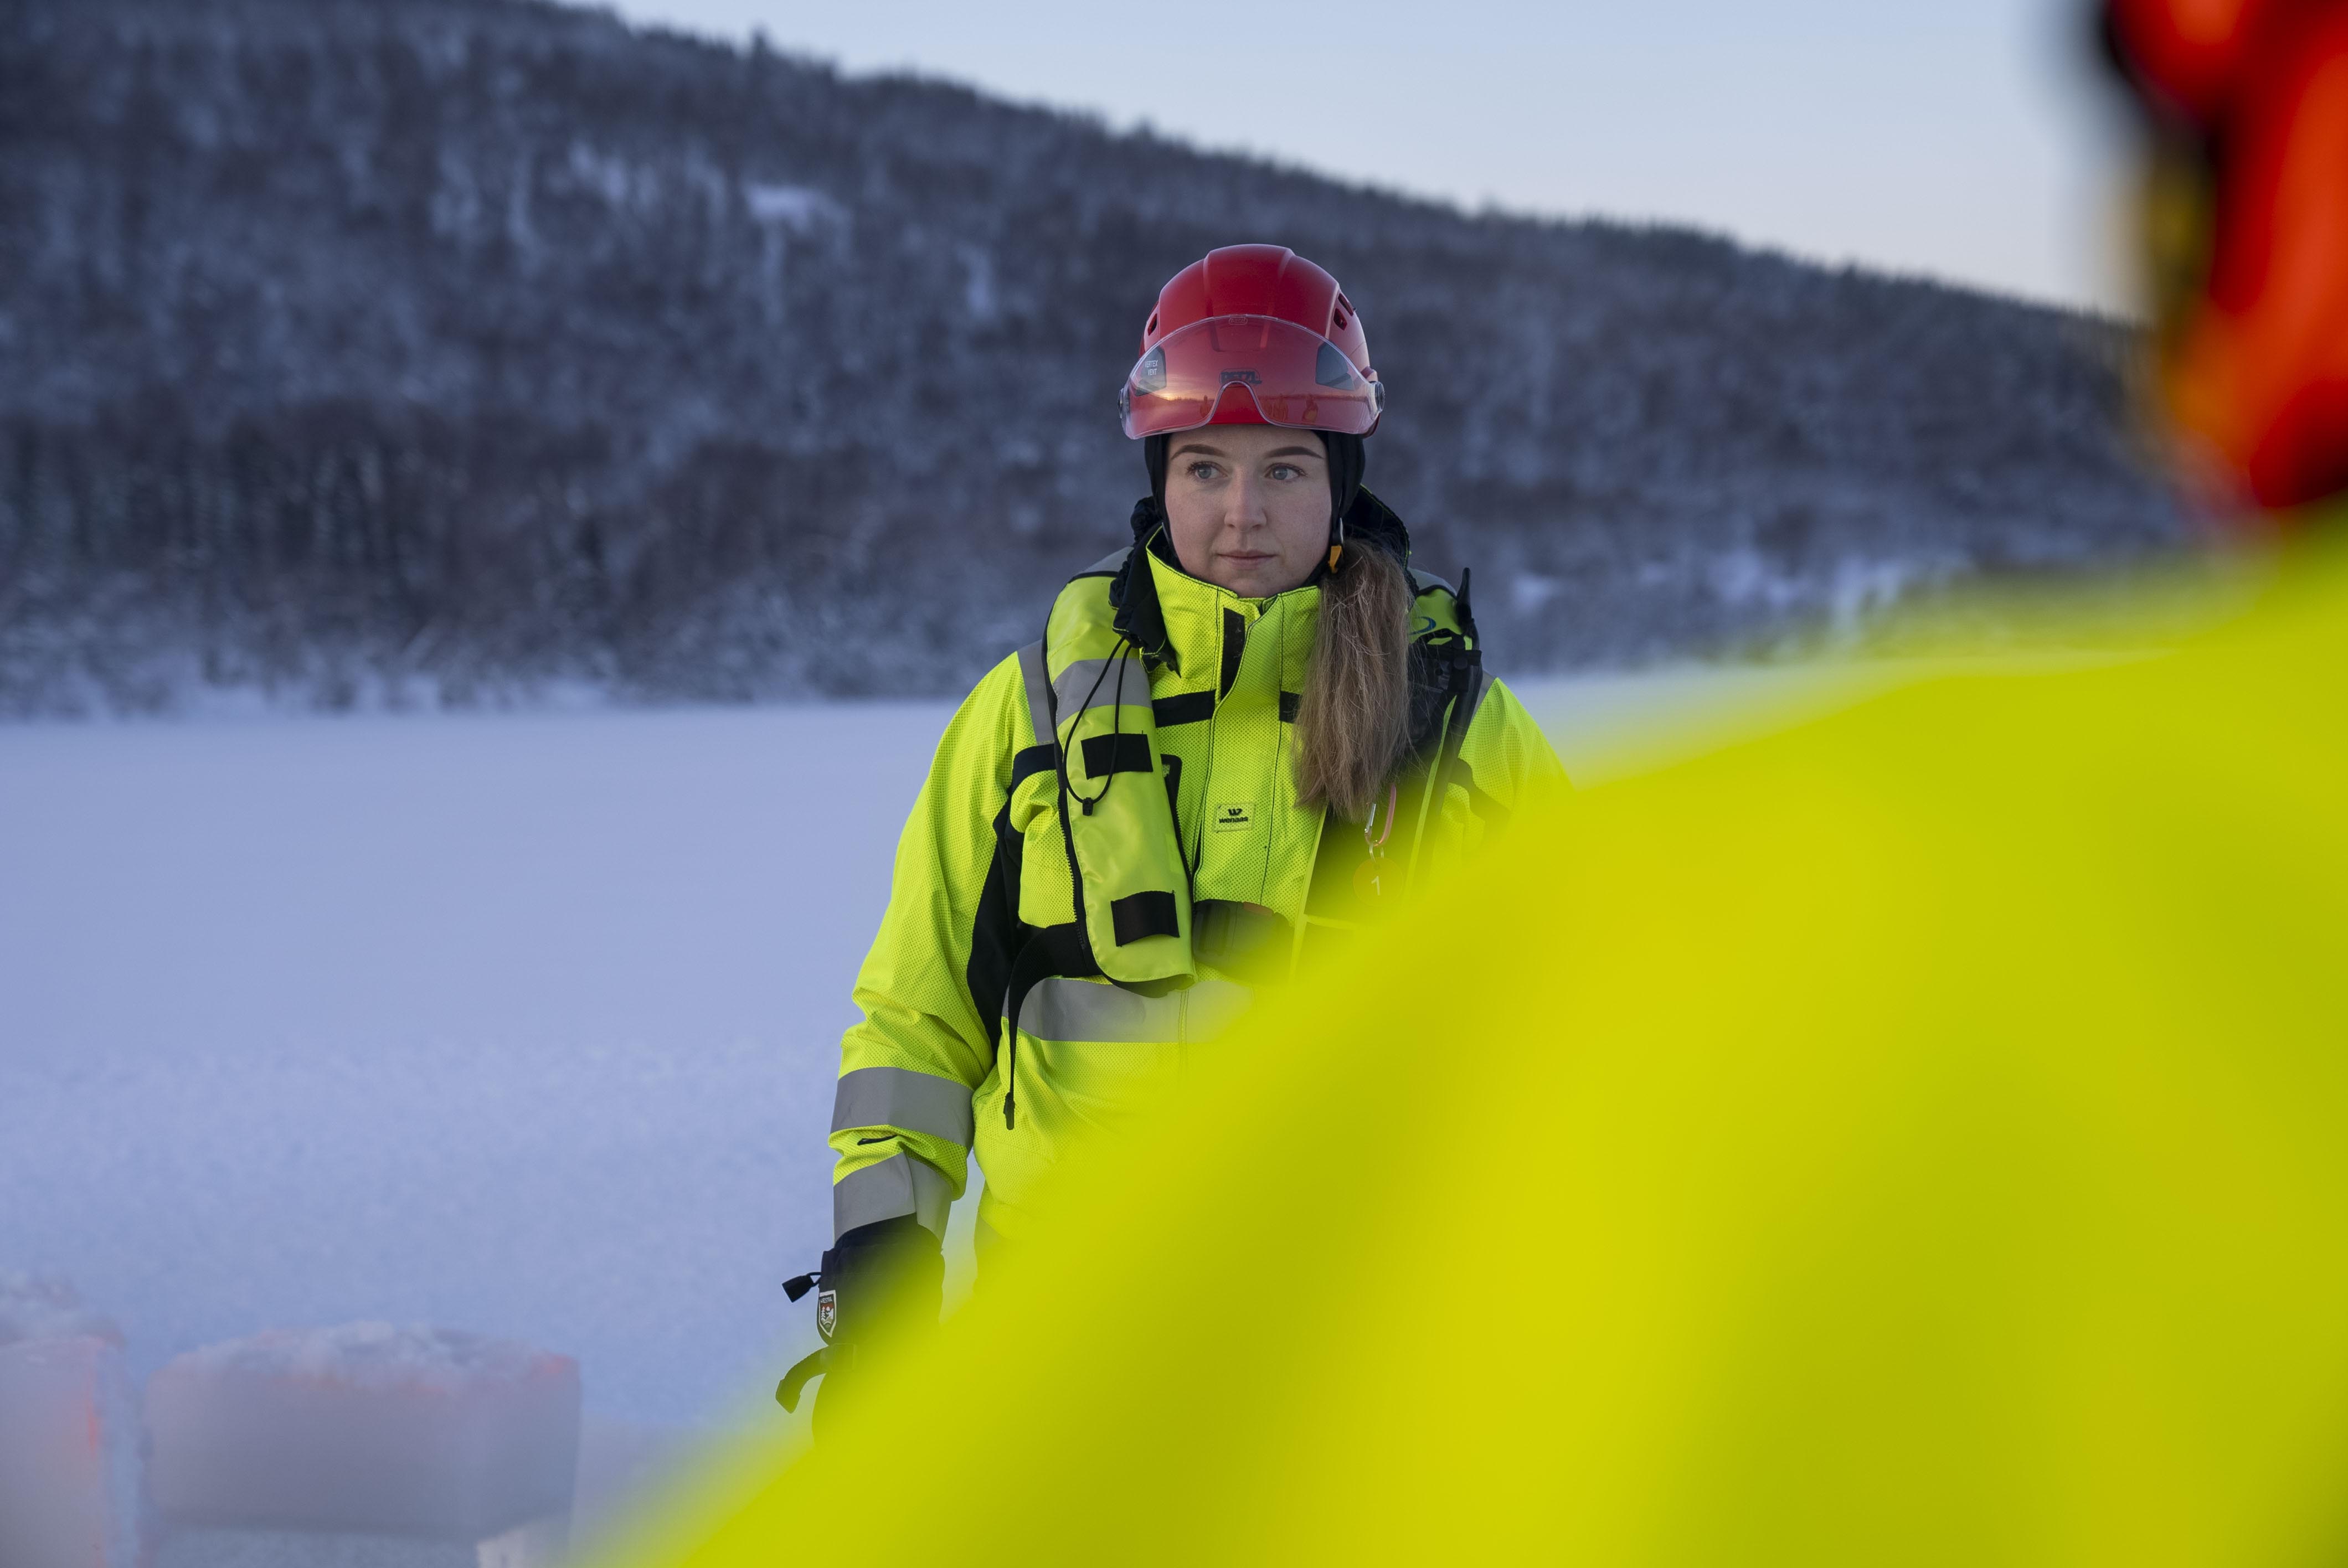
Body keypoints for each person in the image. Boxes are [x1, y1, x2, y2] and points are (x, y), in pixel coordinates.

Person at [777, 245, 1568, 1421]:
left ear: (1339, 480)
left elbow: (1586, 1018)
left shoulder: (1453, 730)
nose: (1241, 514)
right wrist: (885, 1259)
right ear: (1161, 475)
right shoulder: (1036, 706)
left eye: (1284, 470)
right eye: (1205, 468)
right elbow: (914, 1014)